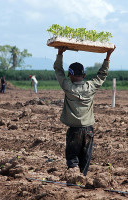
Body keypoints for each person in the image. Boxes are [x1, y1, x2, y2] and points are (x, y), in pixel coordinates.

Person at [53, 46, 115, 185]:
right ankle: (81, 178)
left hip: (74, 130)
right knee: (85, 157)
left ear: (70, 75)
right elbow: (102, 75)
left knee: (72, 156)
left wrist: (60, 54)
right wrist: (107, 56)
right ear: (84, 75)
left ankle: (73, 179)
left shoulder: (68, 88)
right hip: (88, 130)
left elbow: (58, 71)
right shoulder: (91, 87)